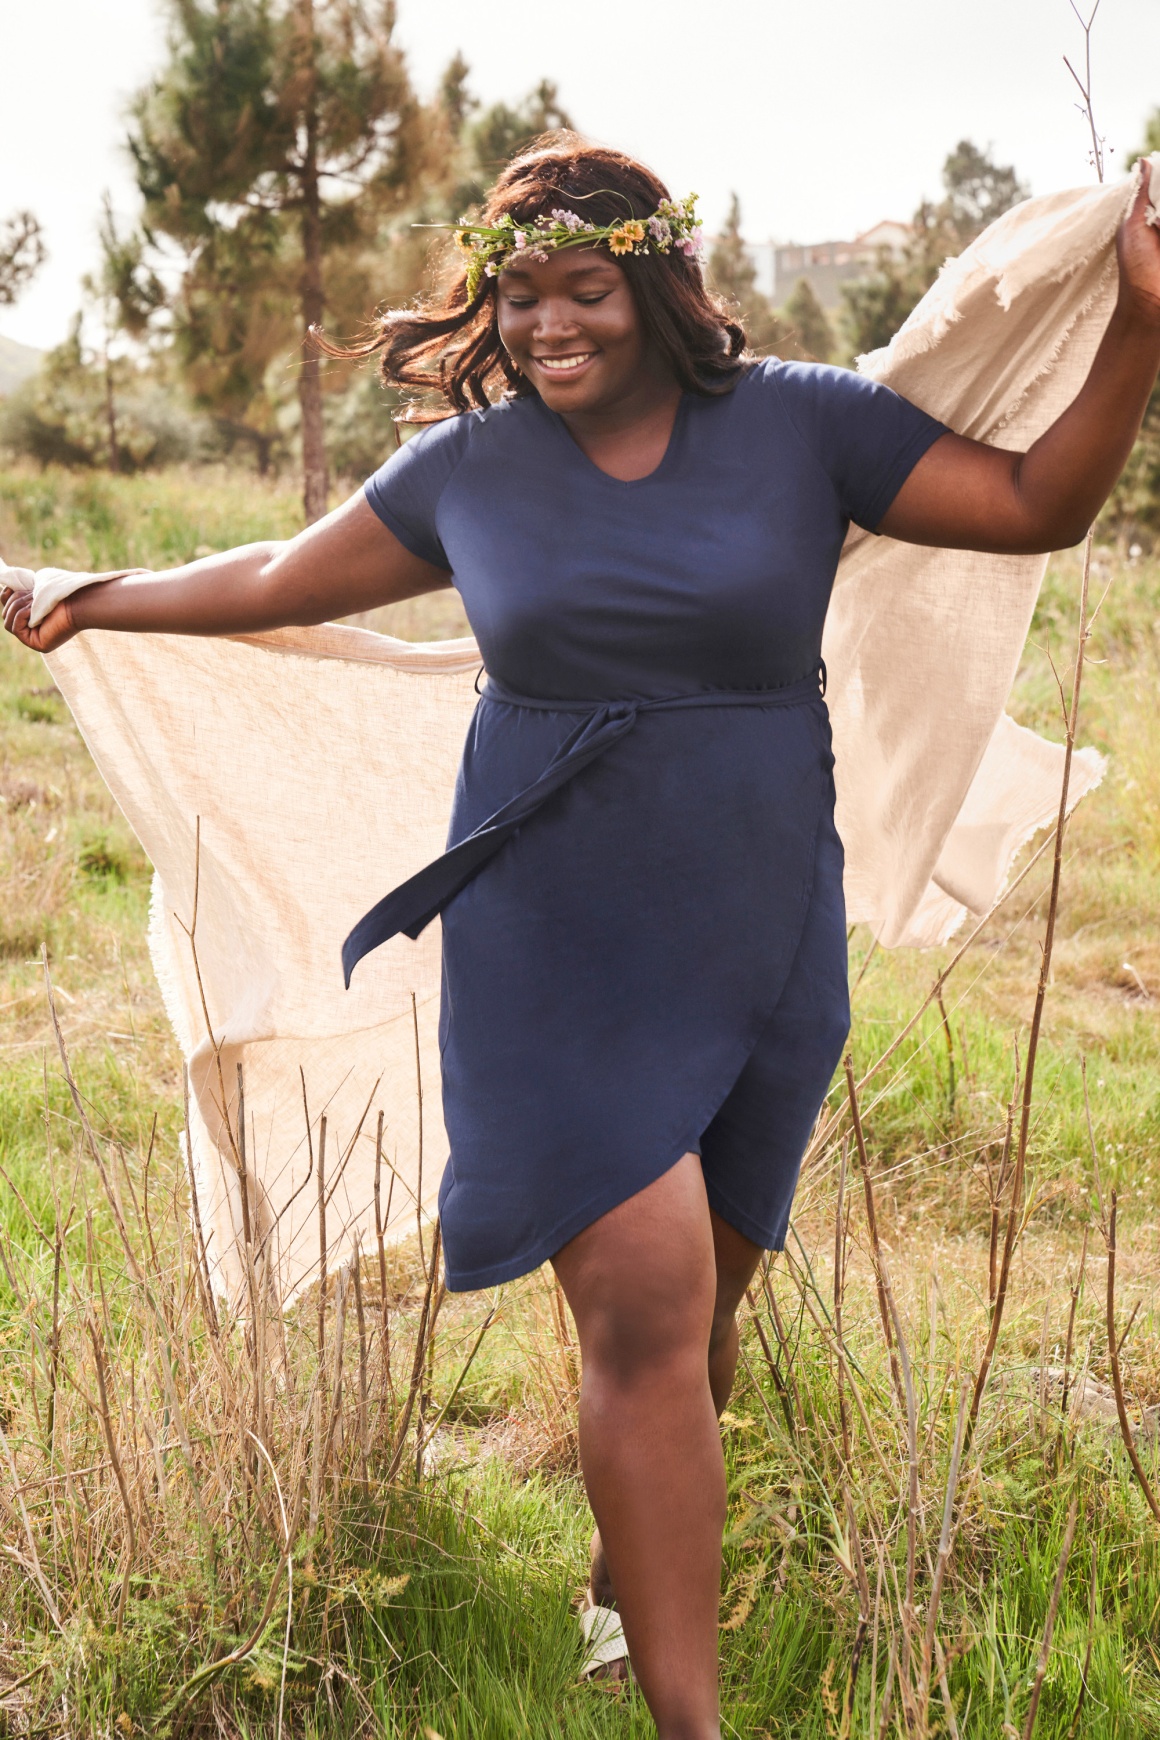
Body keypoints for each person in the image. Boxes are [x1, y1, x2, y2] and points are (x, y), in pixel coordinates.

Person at [5, 137, 1159, 1740]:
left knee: (708, 1301)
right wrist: (90, 586)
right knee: (647, 1303)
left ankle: (633, 1575)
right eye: (521, 294)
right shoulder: (470, 473)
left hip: (761, 930)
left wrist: (1143, 327)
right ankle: (686, 1714)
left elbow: (1038, 505)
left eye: (586, 289)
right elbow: (277, 575)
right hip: (551, 939)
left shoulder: (805, 428)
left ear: (659, 283)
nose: (552, 325)